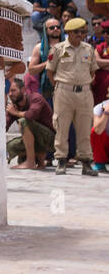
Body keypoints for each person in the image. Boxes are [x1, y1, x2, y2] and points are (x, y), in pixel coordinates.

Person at [40, 17, 103, 175]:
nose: (80, 34)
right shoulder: (59, 49)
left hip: (84, 93)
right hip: (64, 92)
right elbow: (50, 71)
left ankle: (86, 162)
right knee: (61, 127)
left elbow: (93, 71)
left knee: (84, 128)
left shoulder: (88, 49)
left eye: (82, 31)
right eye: (76, 32)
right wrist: (60, 87)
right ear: (68, 32)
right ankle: (61, 160)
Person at [6, 73, 54, 170]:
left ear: (23, 90)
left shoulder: (36, 98)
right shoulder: (13, 107)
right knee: (10, 146)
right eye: (9, 91)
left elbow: (31, 115)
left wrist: (16, 113)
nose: (10, 94)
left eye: (13, 90)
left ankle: (31, 162)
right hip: (36, 139)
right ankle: (39, 163)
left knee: (24, 122)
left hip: (51, 140)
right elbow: (4, 126)